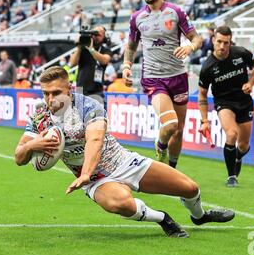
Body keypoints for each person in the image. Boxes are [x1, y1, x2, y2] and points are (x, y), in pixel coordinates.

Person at [15, 66, 235, 238]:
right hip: (95, 180)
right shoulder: (39, 118)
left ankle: (200, 216)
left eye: (56, 93)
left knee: (189, 188)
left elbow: (95, 139)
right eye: (45, 94)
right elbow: (19, 157)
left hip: (124, 162)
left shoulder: (88, 106)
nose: (51, 100)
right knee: (119, 203)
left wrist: (83, 172)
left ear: (70, 88)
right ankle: (162, 219)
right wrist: (31, 147)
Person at [122, 0, 203, 169]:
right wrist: (126, 66)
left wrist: (189, 47)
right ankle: (160, 147)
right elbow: (131, 46)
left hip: (178, 77)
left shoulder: (176, 12)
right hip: (153, 79)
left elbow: (197, 38)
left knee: (179, 129)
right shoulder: (137, 18)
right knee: (171, 124)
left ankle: (171, 169)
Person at [198, 26, 254, 187]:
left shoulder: (240, 53)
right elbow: (202, 95)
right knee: (232, 134)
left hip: (244, 101)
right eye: (219, 42)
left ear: (230, 42)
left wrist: (250, 82)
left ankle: (238, 157)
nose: (222, 46)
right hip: (224, 103)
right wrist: (204, 120)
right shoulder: (207, 67)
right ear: (213, 40)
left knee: (243, 145)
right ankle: (231, 176)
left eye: (226, 43)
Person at [69, 25, 112, 101]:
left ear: (104, 38)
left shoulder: (105, 50)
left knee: (96, 112)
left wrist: (91, 50)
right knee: (79, 112)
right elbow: (72, 63)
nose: (95, 37)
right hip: (80, 89)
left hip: (96, 90)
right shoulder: (82, 49)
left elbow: (105, 60)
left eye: (98, 35)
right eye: (94, 34)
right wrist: (79, 46)